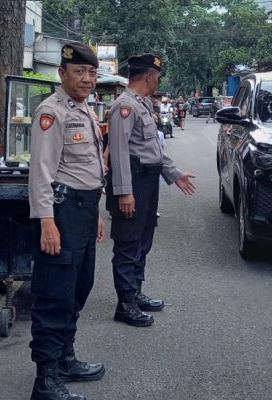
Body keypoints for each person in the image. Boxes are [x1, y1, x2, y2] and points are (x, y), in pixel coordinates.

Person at [27, 42, 106, 400]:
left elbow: (91, 168)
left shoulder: (85, 110)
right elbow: (41, 172)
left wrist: (98, 214)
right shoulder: (52, 111)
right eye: (79, 72)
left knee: (79, 287)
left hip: (84, 211)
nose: (87, 78)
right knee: (54, 294)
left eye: (92, 72)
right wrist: (46, 220)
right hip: (62, 211)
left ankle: (64, 360)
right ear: (62, 73)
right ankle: (45, 381)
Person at [106, 54, 196, 327]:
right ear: (148, 76)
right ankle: (125, 304)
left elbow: (153, 150)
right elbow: (119, 153)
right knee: (127, 244)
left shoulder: (142, 105)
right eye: (157, 75)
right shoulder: (124, 107)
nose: (158, 80)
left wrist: (174, 173)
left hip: (147, 181)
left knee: (143, 240)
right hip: (132, 182)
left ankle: (135, 292)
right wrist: (124, 192)